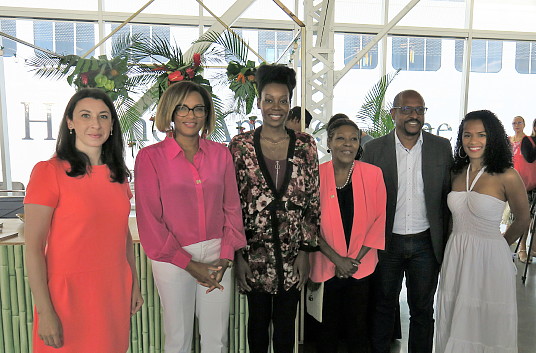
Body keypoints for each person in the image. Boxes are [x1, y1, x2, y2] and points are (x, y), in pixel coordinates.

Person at [24, 88, 143, 352]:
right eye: (85, 115)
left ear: (112, 124)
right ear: (70, 122)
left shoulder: (118, 175)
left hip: (112, 293)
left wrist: (133, 284)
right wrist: (45, 312)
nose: (95, 124)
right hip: (66, 299)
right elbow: (32, 248)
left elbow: (123, 238)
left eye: (103, 116)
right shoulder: (49, 172)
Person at [135, 81, 246, 353]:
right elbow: (150, 220)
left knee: (216, 338)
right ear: (170, 113)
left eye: (198, 108)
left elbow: (232, 207)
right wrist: (190, 264)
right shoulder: (150, 157)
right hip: (172, 257)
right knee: (178, 337)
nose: (190, 115)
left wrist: (226, 256)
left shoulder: (221, 154)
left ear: (207, 113)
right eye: (182, 108)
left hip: (217, 253)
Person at [229, 64, 320, 353]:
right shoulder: (240, 146)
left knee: (285, 328)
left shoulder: (305, 145)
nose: (275, 107)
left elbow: (312, 201)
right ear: (259, 102)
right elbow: (231, 203)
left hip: (293, 254)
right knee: (257, 326)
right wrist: (238, 254)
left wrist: (306, 252)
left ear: (290, 104)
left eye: (283, 100)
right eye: (269, 100)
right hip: (254, 254)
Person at [362, 89, 453, 353]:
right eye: (406, 109)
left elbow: (448, 195)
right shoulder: (373, 149)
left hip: (426, 242)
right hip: (386, 242)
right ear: (393, 114)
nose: (414, 115)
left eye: (419, 110)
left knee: (423, 311)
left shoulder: (441, 147)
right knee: (382, 307)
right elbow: (366, 198)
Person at [435, 110, 529, 353]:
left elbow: (523, 218)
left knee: (486, 322)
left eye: (481, 135)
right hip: (456, 254)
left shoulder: (507, 174)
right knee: (454, 316)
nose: (473, 141)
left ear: (493, 137)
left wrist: (500, 244)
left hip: (490, 258)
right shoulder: (456, 172)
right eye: (467, 135)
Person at [309, 118, 386, 353]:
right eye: (340, 138)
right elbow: (309, 224)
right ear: (329, 142)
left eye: (353, 138)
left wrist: (352, 261)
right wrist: (337, 260)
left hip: (360, 266)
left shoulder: (373, 174)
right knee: (326, 331)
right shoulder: (315, 175)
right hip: (325, 263)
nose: (347, 144)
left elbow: (379, 221)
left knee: (358, 330)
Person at [519, 118, 536, 263]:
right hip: (528, 186)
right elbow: (529, 158)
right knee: (526, 217)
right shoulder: (527, 140)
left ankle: (534, 247)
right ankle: (522, 248)